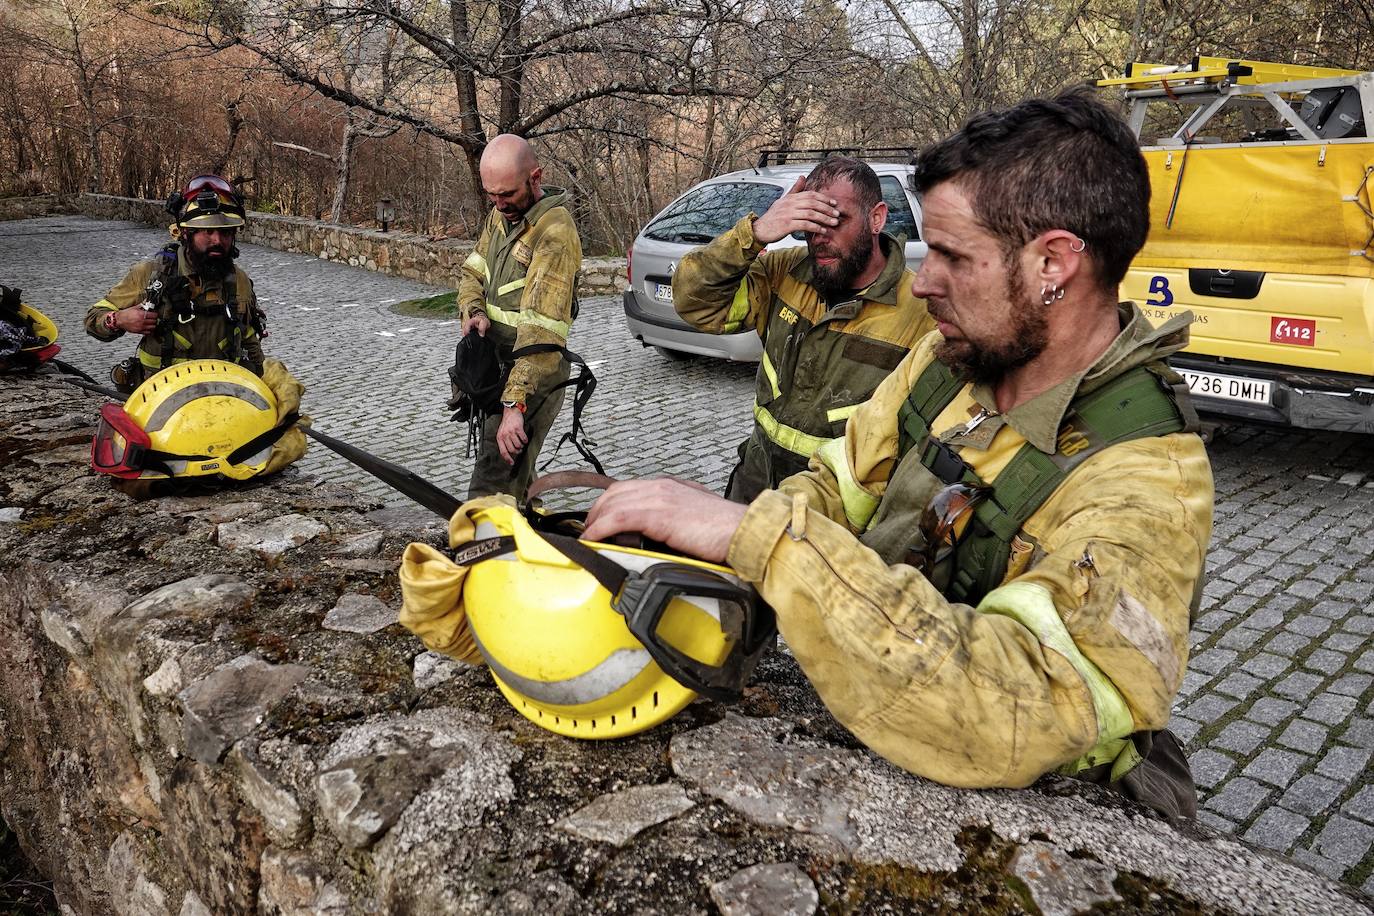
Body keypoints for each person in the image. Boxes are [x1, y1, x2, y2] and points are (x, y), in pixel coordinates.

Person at [580, 90, 1214, 820]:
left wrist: (757, 538)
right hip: (877, 722)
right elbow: (836, 484)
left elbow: (1031, 706)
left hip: (1041, 820)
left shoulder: (1146, 478)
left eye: (950, 254)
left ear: (1055, 263)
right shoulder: (945, 362)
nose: (921, 281)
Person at [672, 156, 935, 503]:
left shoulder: (921, 315)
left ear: (876, 218)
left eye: (834, 219)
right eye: (810, 220)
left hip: (834, 512)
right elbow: (695, 301)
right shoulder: (785, 272)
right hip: (756, 483)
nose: (819, 237)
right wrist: (755, 234)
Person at [457, 134, 584, 502]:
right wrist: (474, 311)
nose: (499, 204)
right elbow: (472, 274)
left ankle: (484, 552)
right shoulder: (499, 216)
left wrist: (515, 408)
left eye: (508, 194)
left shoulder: (554, 234)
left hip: (533, 379)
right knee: (516, 481)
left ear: (535, 177)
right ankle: (532, 542)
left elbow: (541, 336)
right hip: (498, 371)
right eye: (491, 195)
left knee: (491, 486)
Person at [85, 174, 266, 392]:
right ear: (187, 232)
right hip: (161, 402)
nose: (217, 240)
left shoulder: (239, 281)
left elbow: (248, 339)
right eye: (207, 231)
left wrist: (266, 384)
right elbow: (93, 319)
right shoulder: (151, 275)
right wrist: (119, 319)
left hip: (223, 402)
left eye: (226, 232)